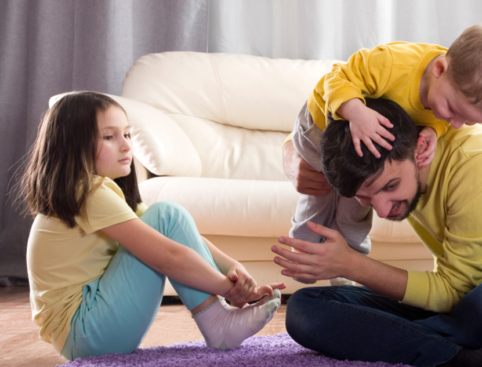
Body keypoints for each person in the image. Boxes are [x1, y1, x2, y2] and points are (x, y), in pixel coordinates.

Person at [274, 98, 482, 367]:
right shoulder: (388, 128)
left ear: (421, 148)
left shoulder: (479, 162)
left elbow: (456, 289)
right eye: (365, 198)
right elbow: (320, 112)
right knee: (305, 308)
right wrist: (291, 157)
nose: (381, 210)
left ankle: (418, 344)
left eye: (391, 186)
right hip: (458, 310)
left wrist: (352, 265)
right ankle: (459, 358)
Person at [21, 92, 285, 360]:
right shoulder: (88, 192)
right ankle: (217, 322)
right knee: (166, 215)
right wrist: (229, 289)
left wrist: (234, 270)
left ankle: (218, 320)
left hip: (87, 333)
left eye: (127, 135)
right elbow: (169, 255)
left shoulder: (97, 192)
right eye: (109, 137)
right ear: (72, 146)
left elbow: (179, 235)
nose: (126, 146)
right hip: (86, 333)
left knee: (168, 216)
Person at [283, 23, 482, 285]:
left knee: (356, 205)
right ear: (439, 69)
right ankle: (303, 248)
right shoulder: (392, 64)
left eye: (467, 121)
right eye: (453, 111)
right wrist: (356, 113)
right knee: (320, 194)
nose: (456, 124)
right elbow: (336, 77)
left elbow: (443, 119)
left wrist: (435, 129)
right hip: (322, 127)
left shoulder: (450, 92)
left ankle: (344, 268)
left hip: (366, 153)